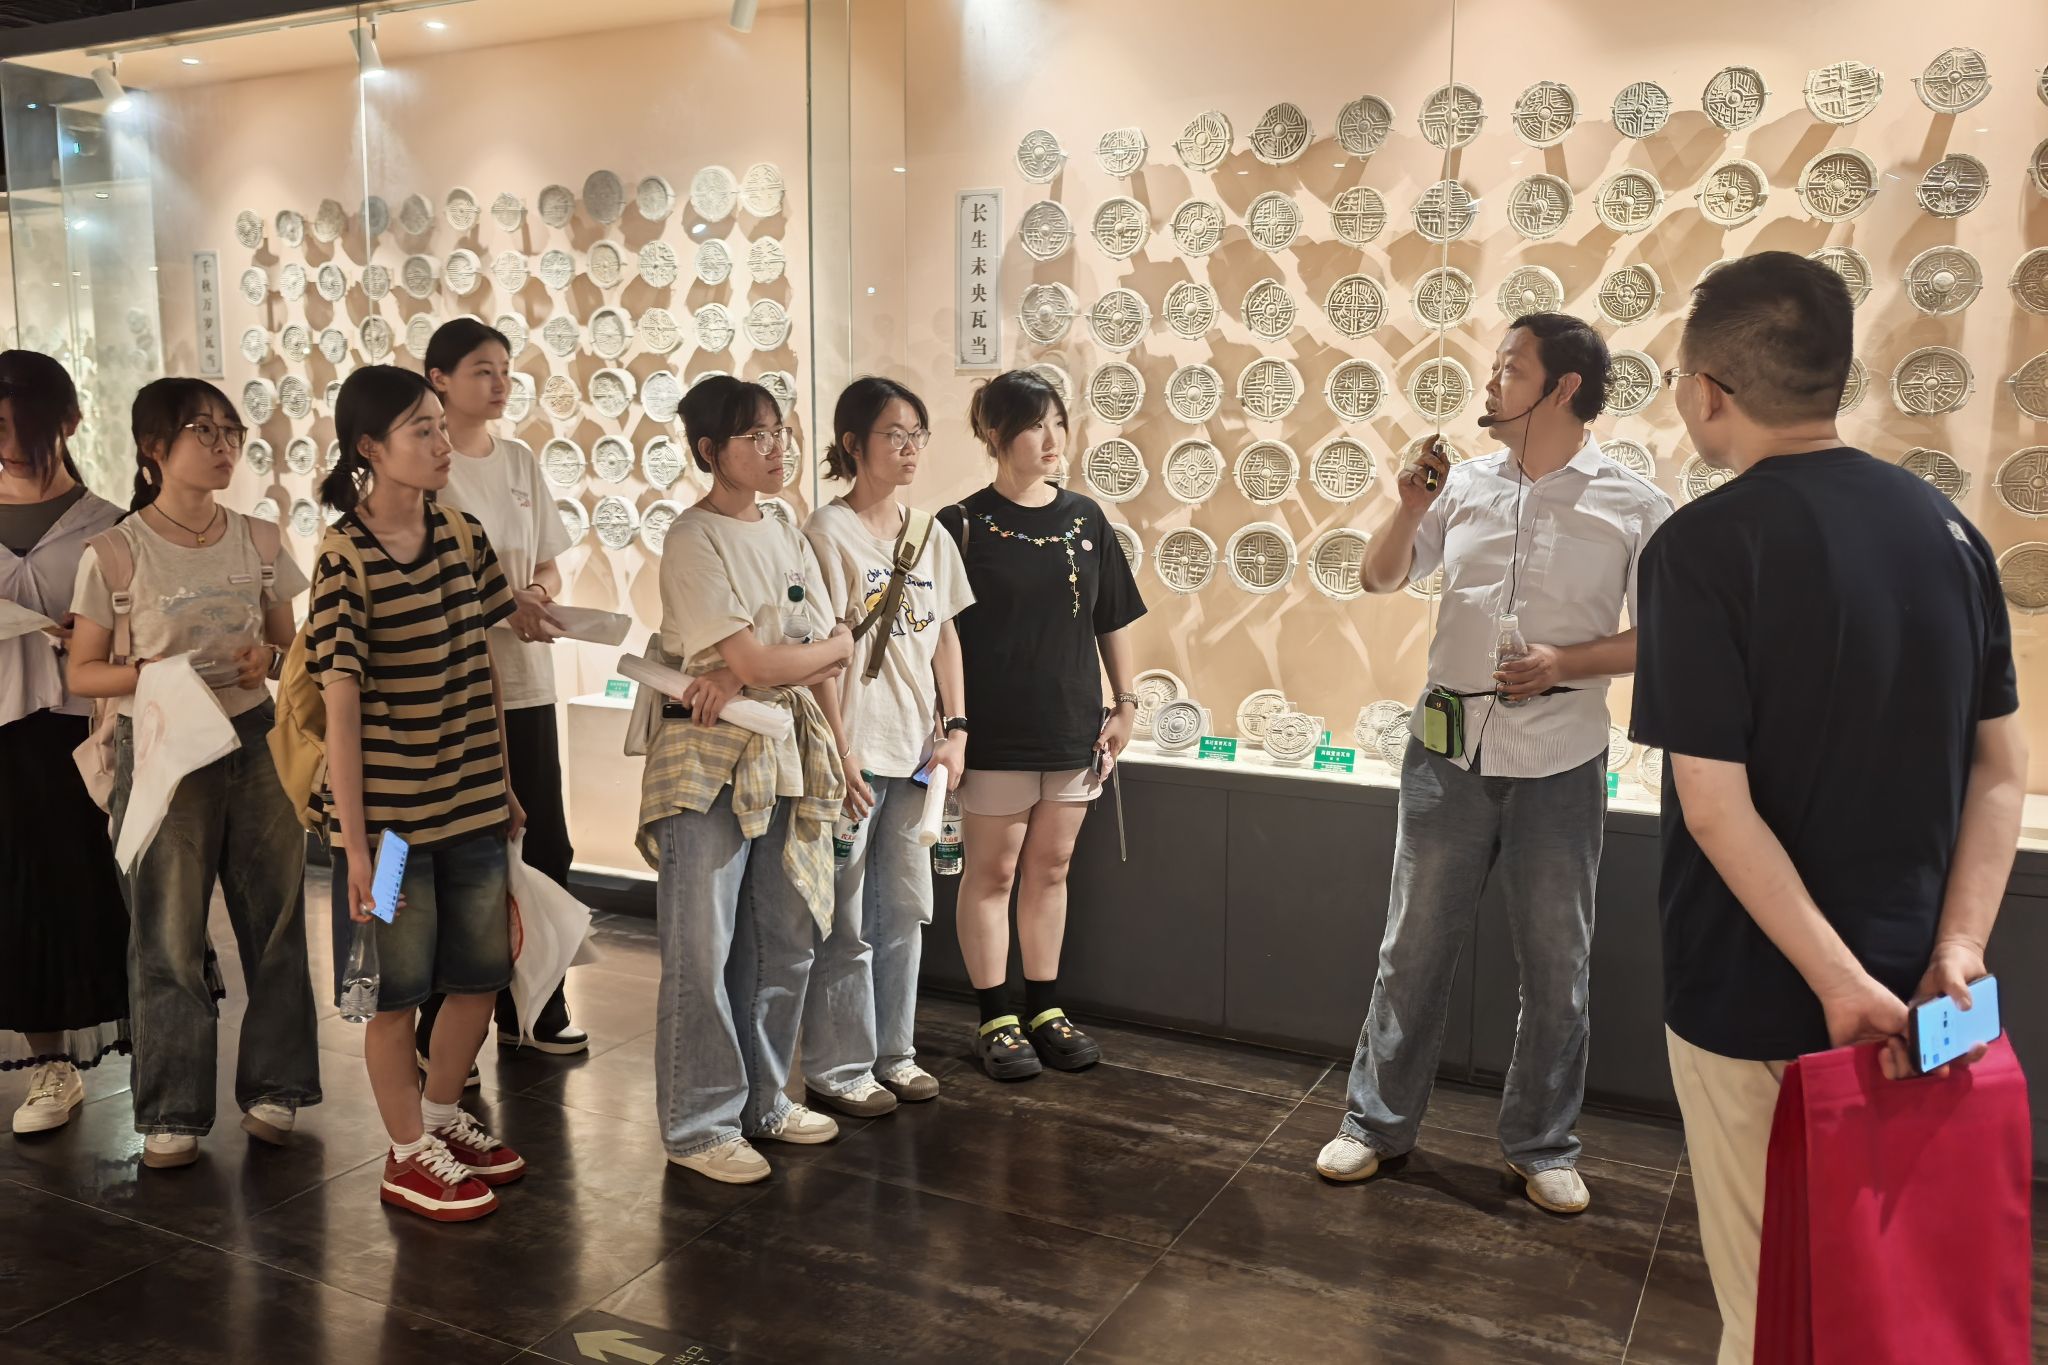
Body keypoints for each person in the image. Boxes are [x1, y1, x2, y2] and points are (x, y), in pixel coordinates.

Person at [1631, 251, 2026, 1364]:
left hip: (1759, 998)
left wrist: (1836, 985)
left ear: (1708, 390)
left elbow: (1714, 807)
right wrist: (1957, 947)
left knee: (1775, 1315)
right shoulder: (1948, 532)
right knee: (1888, 1301)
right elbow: (2001, 769)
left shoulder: (1700, 548)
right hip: (1922, 996)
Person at [1316, 314, 1673, 1214]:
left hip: (1562, 759)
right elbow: (1379, 577)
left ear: (1563, 388)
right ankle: (1373, 1123)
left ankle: (1542, 1143)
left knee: (1557, 964)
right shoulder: (1464, 484)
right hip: (1446, 754)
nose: (1490, 382)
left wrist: (1564, 662)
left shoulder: (1633, 503)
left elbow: (1665, 633)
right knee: (1411, 947)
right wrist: (1408, 506)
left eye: (1510, 368)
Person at [67, 377, 322, 1169]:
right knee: (167, 930)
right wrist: (149, 672)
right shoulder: (115, 551)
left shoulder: (261, 539)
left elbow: (292, 650)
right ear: (154, 448)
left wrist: (267, 659)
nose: (222, 447)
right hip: (162, 742)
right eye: (202, 432)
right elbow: (82, 670)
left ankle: (276, 1085)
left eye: (230, 433)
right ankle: (172, 1108)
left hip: (253, 734)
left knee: (276, 917)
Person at [306, 364, 526, 1221]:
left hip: (471, 806)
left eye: (441, 426)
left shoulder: (461, 532)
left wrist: (504, 784)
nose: (441, 443)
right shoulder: (343, 555)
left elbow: (484, 666)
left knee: (480, 975)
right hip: (392, 831)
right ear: (369, 447)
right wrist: (358, 848)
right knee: (394, 992)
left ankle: (439, 1116)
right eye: (421, 429)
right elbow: (340, 706)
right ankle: (405, 1154)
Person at [638, 375, 851, 1184]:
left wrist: (843, 748)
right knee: (702, 946)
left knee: (781, 935)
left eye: (779, 432)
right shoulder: (692, 536)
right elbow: (778, 654)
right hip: (705, 759)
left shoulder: (787, 527)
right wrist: (802, 655)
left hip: (786, 749)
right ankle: (698, 1125)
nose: (776, 448)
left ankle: (764, 1100)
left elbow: (819, 650)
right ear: (709, 450)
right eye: (756, 436)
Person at [935, 369, 1145, 1082]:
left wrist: (1125, 703)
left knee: (1051, 870)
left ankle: (1045, 1008)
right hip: (994, 731)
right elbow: (940, 637)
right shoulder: (959, 524)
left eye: (1058, 422)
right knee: (992, 872)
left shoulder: (1086, 518)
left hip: (1072, 727)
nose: (1052, 439)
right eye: (1034, 425)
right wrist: (953, 724)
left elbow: (1111, 616)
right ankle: (995, 1016)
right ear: (995, 435)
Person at [799, 377, 973, 1118]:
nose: (909, 449)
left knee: (903, 911)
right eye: (894, 435)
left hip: (916, 751)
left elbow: (946, 637)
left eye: (916, 435)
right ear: (853, 443)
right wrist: (840, 752)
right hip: (854, 751)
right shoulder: (826, 532)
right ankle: (839, 1066)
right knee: (843, 917)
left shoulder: (928, 533)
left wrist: (956, 729)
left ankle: (895, 1053)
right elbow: (818, 655)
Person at [418, 318, 584, 1070]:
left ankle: (539, 1003)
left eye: (505, 369)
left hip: (525, 683)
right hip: (452, 693)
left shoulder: (518, 460)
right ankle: (440, 1024)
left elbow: (548, 560)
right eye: (482, 369)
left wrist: (535, 595)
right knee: (459, 858)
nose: (499, 382)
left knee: (544, 845)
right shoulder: (429, 468)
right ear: (439, 378)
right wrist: (499, 602)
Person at [0, 351, 137, 1134]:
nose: (10, 443)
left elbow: (138, 634)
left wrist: (80, 635)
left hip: (76, 731)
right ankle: (45, 1060)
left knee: (80, 890)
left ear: (70, 422)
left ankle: (137, 1055)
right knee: (12, 897)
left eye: (24, 426)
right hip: (2, 729)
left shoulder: (108, 526)